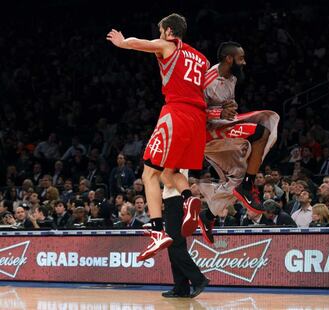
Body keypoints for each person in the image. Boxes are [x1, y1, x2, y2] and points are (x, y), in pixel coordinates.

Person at [107, 13, 209, 260]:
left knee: (148, 173)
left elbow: (141, 43)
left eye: (161, 30)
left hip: (176, 113)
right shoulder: (202, 59)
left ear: (169, 31)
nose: (159, 34)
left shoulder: (168, 45)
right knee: (168, 173)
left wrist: (123, 42)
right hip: (198, 120)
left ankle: (157, 231)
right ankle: (189, 199)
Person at [197, 41, 280, 243]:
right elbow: (194, 112)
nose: (244, 62)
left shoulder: (232, 77)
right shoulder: (207, 80)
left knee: (237, 175)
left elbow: (226, 106)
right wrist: (220, 111)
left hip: (223, 128)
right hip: (206, 135)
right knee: (261, 132)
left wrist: (229, 107)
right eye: (241, 58)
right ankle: (249, 185)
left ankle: (208, 216)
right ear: (229, 58)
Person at [162, 171, 209, 298]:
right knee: (174, 246)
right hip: (174, 200)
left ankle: (198, 279)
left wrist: (157, 175)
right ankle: (181, 287)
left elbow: (169, 182)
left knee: (175, 245)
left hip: (175, 200)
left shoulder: (172, 159)